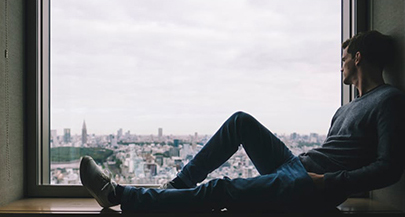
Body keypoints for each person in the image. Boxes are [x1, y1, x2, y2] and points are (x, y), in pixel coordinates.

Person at [80, 30, 405, 213]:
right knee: (240, 121)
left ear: (358, 58)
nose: (341, 66)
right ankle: (177, 185)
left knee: (221, 189)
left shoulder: (388, 99)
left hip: (312, 185)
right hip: (299, 168)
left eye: (344, 59)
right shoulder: (346, 108)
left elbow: (389, 168)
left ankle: (118, 195)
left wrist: (327, 183)